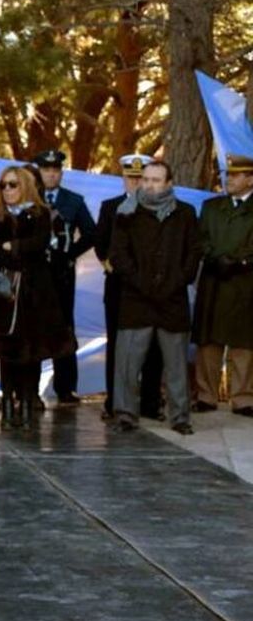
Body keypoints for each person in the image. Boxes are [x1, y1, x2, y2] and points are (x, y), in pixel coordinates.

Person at [0, 166, 76, 430]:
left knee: (33, 352)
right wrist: (11, 252)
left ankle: (29, 404)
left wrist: (14, 247)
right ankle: (8, 404)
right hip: (3, 292)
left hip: (35, 292)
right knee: (5, 352)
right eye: (3, 185)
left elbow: (40, 244)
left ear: (25, 186)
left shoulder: (40, 213)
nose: (7, 190)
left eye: (12, 185)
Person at [110, 161, 201, 434]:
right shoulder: (126, 213)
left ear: (169, 183)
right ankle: (126, 414)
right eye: (146, 179)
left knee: (175, 364)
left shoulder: (185, 213)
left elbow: (193, 253)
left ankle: (180, 417)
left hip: (172, 299)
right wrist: (139, 282)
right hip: (136, 298)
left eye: (156, 180)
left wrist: (177, 280)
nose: (149, 185)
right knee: (128, 362)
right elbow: (118, 254)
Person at [95, 154, 164, 422]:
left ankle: (149, 402)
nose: (134, 183)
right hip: (120, 287)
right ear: (123, 178)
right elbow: (102, 244)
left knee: (154, 346)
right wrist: (119, 271)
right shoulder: (110, 207)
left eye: (139, 178)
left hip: (151, 289)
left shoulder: (160, 207)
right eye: (130, 177)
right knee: (117, 345)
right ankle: (115, 401)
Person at [191, 153, 253, 416]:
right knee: (209, 342)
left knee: (244, 343)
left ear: (250, 179)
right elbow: (199, 239)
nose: (229, 179)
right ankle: (206, 395)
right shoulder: (211, 207)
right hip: (214, 281)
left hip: (246, 283)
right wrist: (215, 258)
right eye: (228, 174)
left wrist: (240, 263)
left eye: (236, 175)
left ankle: (244, 398)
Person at [34, 149, 96, 405]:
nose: (51, 174)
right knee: (33, 329)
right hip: (34, 273)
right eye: (46, 170)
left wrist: (71, 254)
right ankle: (30, 391)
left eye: (55, 170)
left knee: (63, 329)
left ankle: (65, 388)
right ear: (39, 172)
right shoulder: (29, 196)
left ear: (60, 173)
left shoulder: (73, 200)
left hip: (61, 275)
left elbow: (91, 233)